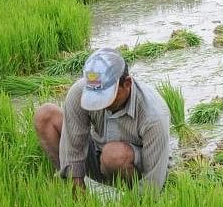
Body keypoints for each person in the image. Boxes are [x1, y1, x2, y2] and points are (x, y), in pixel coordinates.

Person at [33, 48, 171, 193]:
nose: (100, 103)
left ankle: (131, 195)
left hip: (142, 167)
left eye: (106, 96)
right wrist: (79, 199)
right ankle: (70, 190)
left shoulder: (153, 114)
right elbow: (72, 148)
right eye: (95, 96)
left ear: (127, 84)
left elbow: (153, 183)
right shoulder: (80, 92)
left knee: (113, 155)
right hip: (99, 154)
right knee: (46, 116)